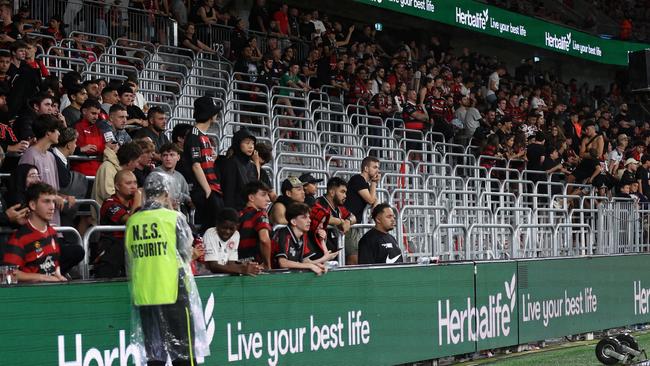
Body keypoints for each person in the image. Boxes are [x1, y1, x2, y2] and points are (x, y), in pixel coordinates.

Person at [125, 172, 209, 365]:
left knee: (154, 354)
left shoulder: (133, 221)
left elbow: (131, 256)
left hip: (144, 293)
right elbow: (185, 254)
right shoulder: (173, 218)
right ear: (165, 192)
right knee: (183, 352)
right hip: (172, 289)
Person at [2, 182, 68, 283]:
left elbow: (54, 263)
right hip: (30, 295)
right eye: (46, 201)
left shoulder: (52, 233)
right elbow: (8, 274)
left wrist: (58, 275)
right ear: (32, 205)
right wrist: (43, 277)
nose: (52, 207)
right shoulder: (19, 238)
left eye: (53, 202)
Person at [183, 96, 223, 231]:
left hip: (211, 188)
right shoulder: (194, 135)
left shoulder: (202, 135)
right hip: (203, 189)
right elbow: (196, 165)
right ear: (210, 114)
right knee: (211, 229)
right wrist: (208, 191)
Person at [94, 170, 142, 278]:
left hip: (130, 248)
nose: (133, 187)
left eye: (135, 183)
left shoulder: (133, 202)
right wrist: (138, 201)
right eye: (128, 183)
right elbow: (131, 221)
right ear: (117, 186)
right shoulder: (110, 203)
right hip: (111, 251)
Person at [272, 203, 338, 275]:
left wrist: (319, 265)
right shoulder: (283, 234)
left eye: (309, 217)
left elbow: (305, 261)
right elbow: (283, 263)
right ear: (293, 222)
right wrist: (309, 266)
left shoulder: (302, 236)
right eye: (304, 217)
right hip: (271, 277)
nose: (309, 220)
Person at [203, 208, 263, 275]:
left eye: (231, 229)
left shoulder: (236, 234)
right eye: (224, 228)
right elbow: (213, 266)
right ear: (217, 224)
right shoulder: (210, 233)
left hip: (223, 275)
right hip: (207, 276)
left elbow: (231, 264)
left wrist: (248, 267)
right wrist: (242, 269)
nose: (227, 232)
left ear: (237, 226)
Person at [344, 156, 380, 264]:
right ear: (366, 168)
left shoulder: (364, 184)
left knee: (356, 255)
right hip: (349, 222)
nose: (377, 170)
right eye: (374, 167)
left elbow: (375, 201)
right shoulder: (357, 179)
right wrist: (374, 183)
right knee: (352, 257)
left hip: (355, 224)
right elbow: (370, 199)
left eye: (378, 167)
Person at [310, 177, 356, 254]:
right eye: (342, 192)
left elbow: (354, 217)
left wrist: (348, 221)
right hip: (319, 252)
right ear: (332, 192)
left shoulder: (339, 207)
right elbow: (323, 217)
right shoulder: (319, 203)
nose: (345, 196)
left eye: (345, 193)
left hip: (335, 251)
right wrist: (341, 221)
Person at [73, 99, 117, 176]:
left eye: (97, 114)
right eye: (93, 113)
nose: (96, 117)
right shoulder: (76, 127)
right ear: (84, 111)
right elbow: (88, 149)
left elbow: (111, 145)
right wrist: (105, 147)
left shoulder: (99, 127)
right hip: (81, 174)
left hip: (99, 172)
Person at [92, 141, 142, 206]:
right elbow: (107, 194)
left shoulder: (126, 171)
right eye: (137, 161)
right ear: (130, 161)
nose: (138, 165)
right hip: (107, 212)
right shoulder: (107, 167)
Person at [219, 128, 259, 211]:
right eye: (247, 143)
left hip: (249, 211)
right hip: (235, 212)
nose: (251, 146)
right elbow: (228, 193)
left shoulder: (252, 166)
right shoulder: (231, 163)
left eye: (253, 143)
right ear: (238, 143)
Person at [238, 181, 272, 269]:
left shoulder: (238, 215)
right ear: (251, 197)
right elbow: (264, 240)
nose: (268, 199)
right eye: (263, 195)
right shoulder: (260, 214)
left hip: (239, 266)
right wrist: (267, 265)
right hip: (256, 267)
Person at [153, 143, 191, 210]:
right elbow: (169, 194)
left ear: (178, 157)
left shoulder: (179, 176)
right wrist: (183, 197)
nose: (168, 158)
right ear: (161, 157)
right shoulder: (156, 173)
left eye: (172, 155)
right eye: (165, 155)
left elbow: (188, 198)